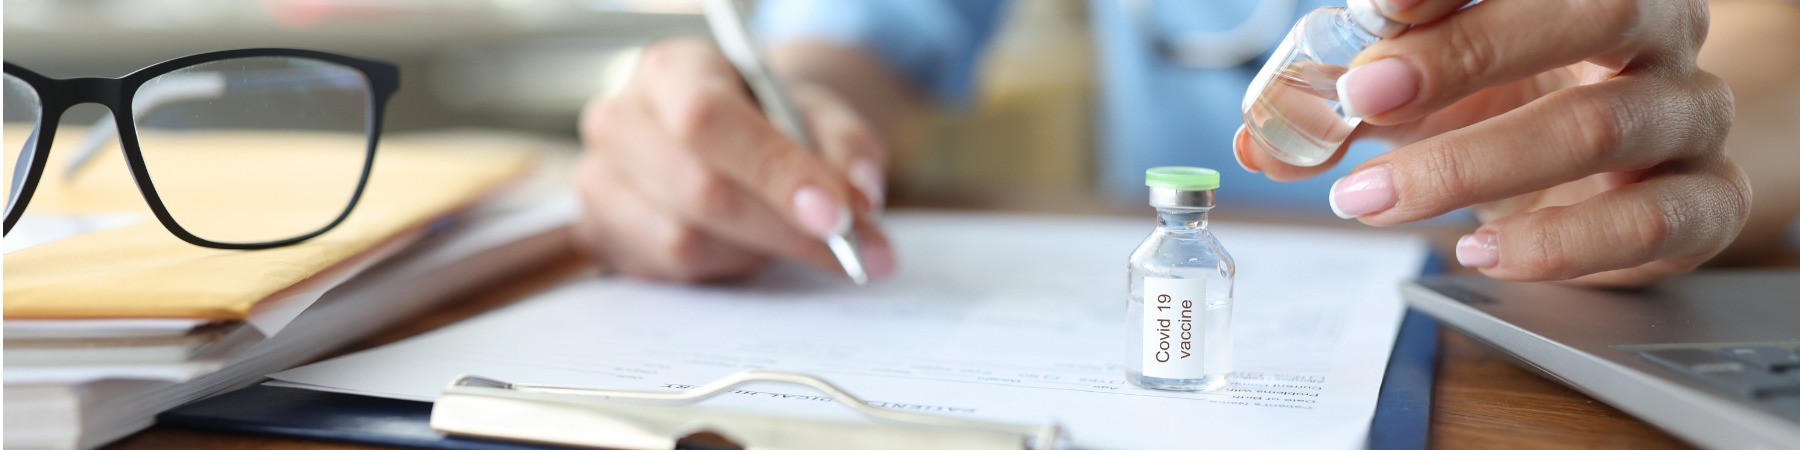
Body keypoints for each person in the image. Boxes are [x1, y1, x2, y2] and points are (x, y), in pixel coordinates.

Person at [572, 0, 1800, 287]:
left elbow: (1758, 49)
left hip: (1605, 331)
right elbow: (861, 43)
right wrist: (770, 121)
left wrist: (1674, 131)